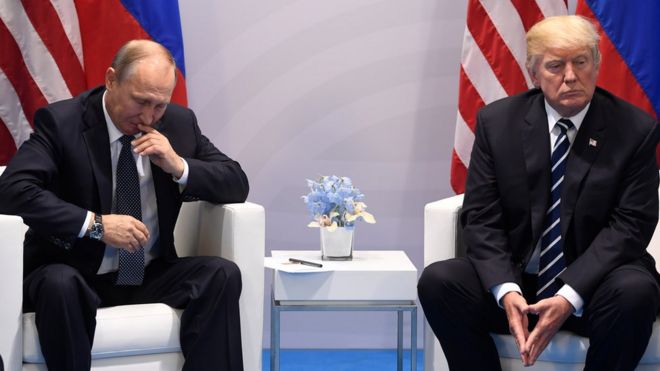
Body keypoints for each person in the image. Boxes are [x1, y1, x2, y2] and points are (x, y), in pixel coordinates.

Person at [418, 15, 660, 370]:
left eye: (581, 62)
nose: (571, 76)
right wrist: (505, 289)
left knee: (636, 292)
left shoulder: (635, 129)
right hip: (518, 283)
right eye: (555, 66)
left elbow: (629, 228)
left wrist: (568, 295)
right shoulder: (497, 123)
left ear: (597, 64)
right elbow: (481, 218)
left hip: (594, 287)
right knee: (440, 281)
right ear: (533, 72)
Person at [0, 39, 249, 371]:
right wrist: (96, 225)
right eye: (140, 101)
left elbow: (236, 183)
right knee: (60, 283)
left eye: (159, 105)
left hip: (145, 274)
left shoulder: (177, 124)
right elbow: (12, 190)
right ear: (111, 80)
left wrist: (179, 166)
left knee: (221, 274)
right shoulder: (63, 123)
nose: (148, 116)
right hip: (73, 271)